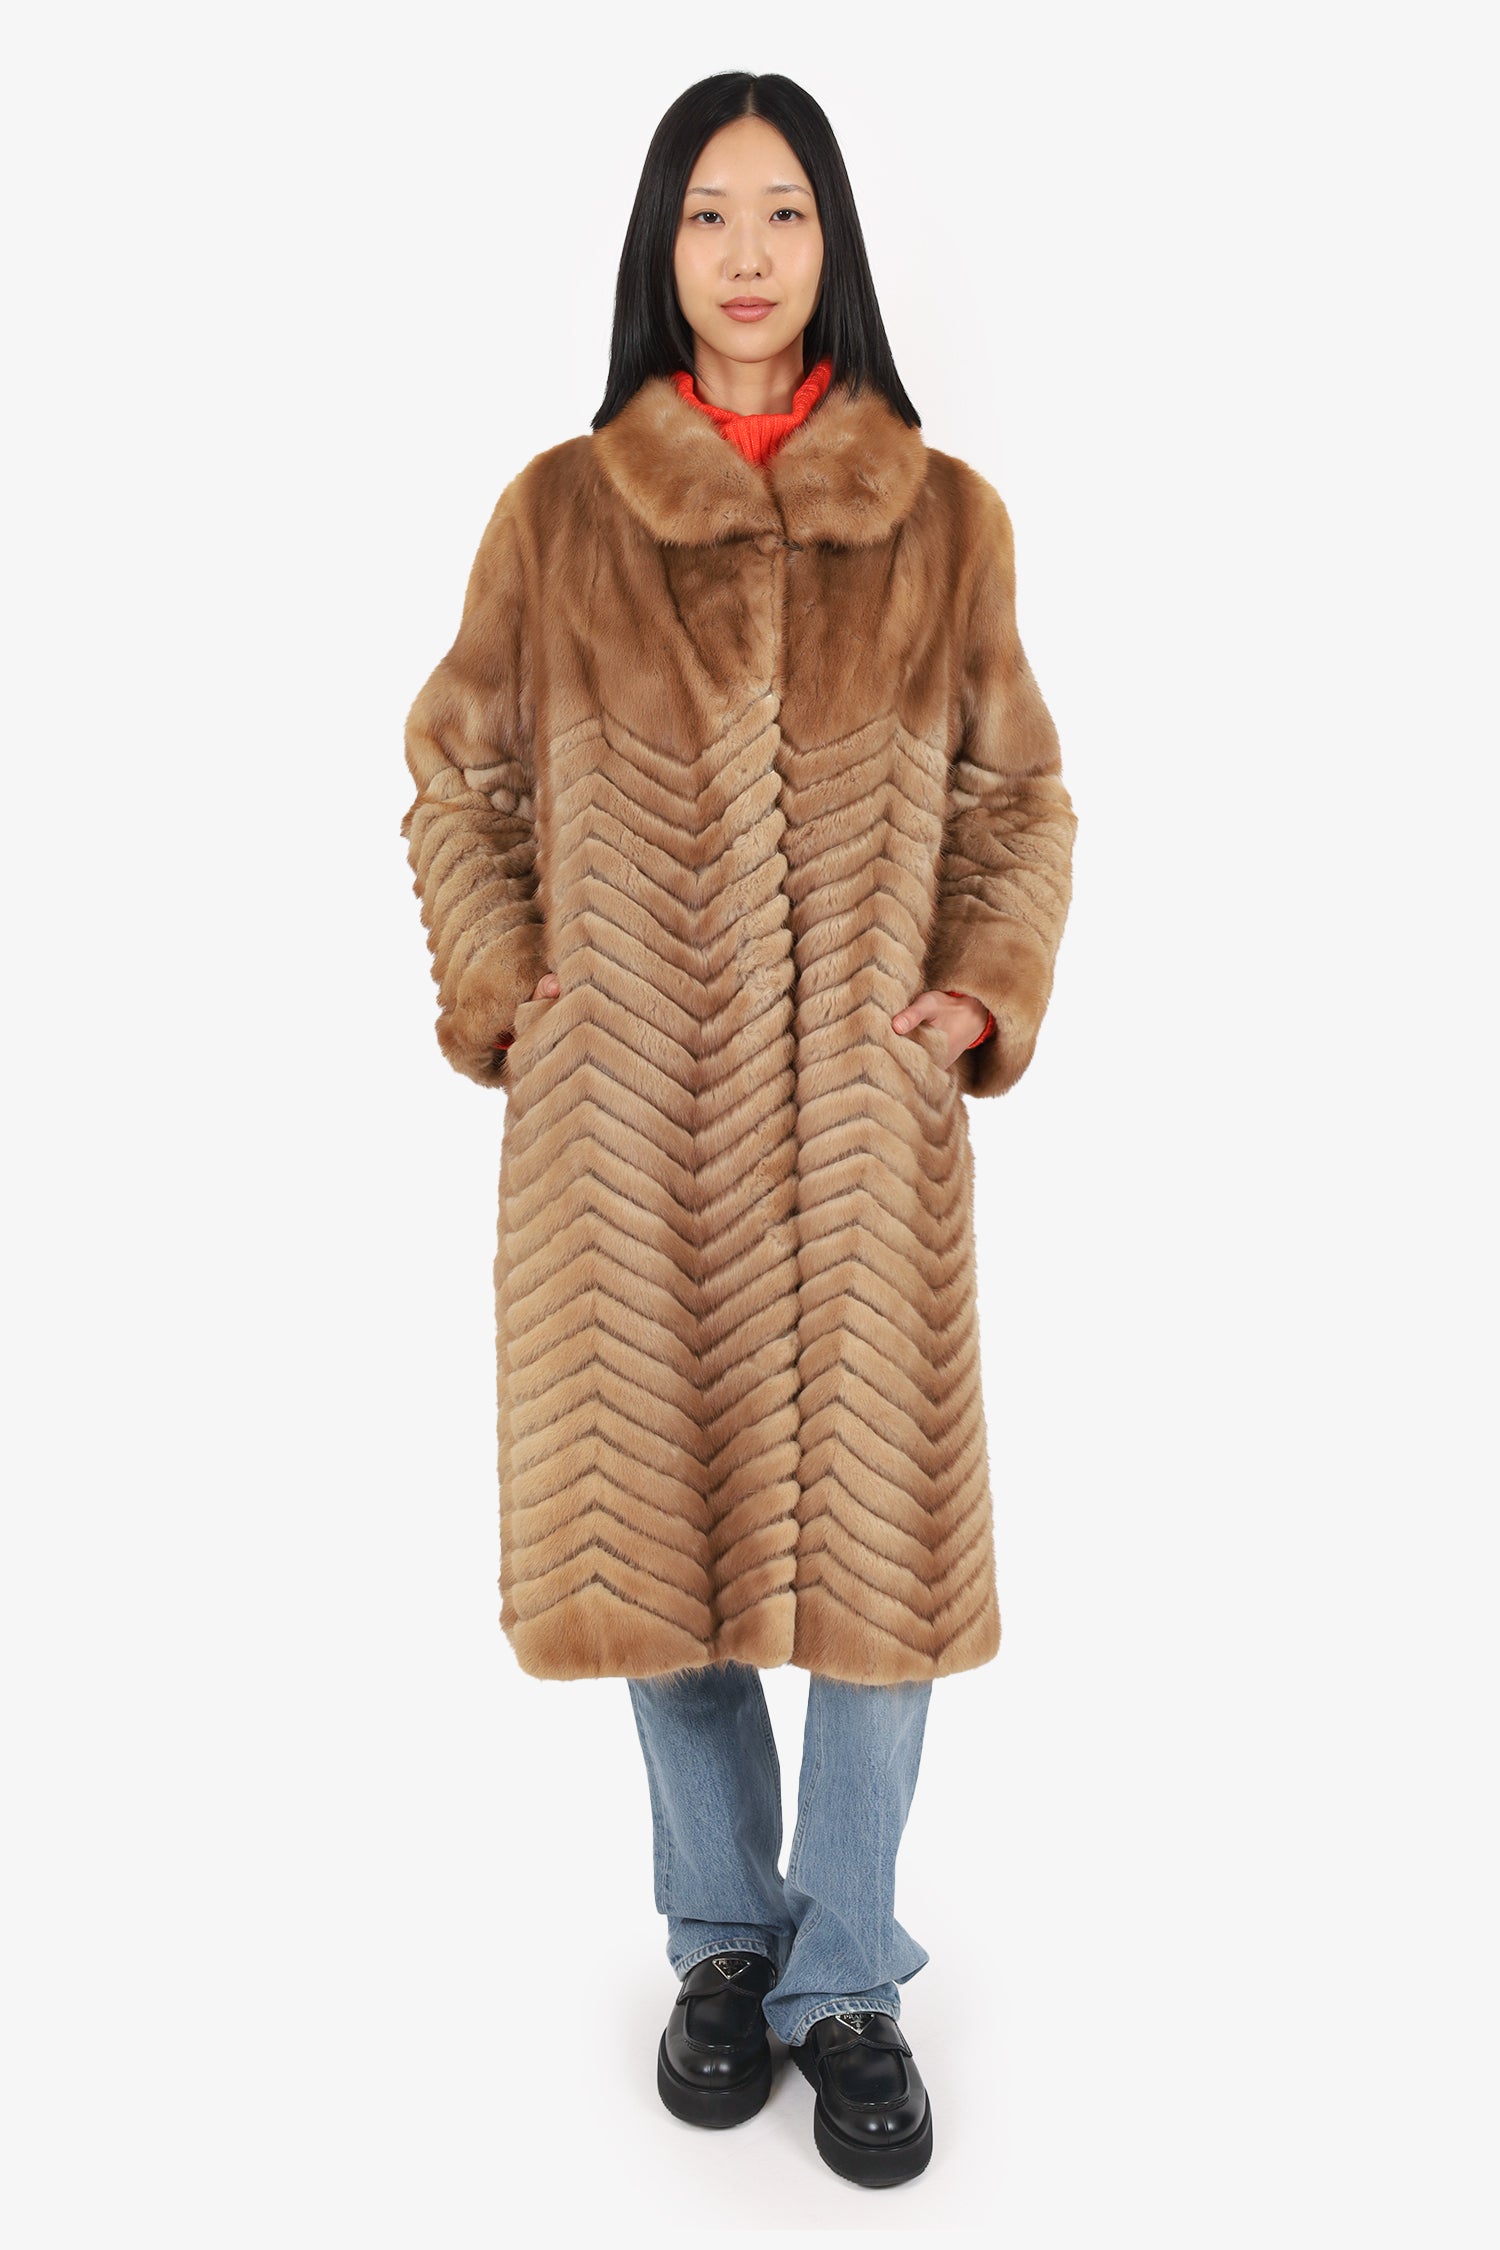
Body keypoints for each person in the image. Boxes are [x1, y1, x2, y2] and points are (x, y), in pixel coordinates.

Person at [400, 71, 1076, 2190]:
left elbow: (1019, 796)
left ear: (834, 242)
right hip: (628, 1138)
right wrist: (516, 990)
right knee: (657, 1551)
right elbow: (454, 775)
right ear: (662, 248)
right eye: (711, 214)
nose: (751, 252)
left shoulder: (945, 521)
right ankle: (721, 1938)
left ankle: (845, 1971)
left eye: (786, 211)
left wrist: (980, 989)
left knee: (887, 1576)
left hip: (864, 1135)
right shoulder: (559, 515)